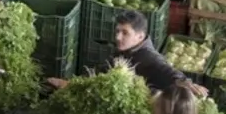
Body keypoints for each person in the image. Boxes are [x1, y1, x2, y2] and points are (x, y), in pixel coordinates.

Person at [46, 11, 207, 98]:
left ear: (140, 36)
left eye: (125, 33)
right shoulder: (126, 51)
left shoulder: (147, 56)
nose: (117, 37)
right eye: (117, 31)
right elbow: (102, 73)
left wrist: (186, 83)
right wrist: (72, 84)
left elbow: (166, 70)